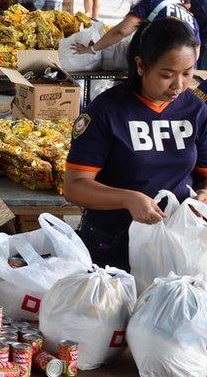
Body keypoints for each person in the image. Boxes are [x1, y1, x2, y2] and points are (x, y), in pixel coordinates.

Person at [65, 18, 207, 271]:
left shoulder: (195, 110)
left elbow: (204, 175)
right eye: (166, 75)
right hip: (112, 242)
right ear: (141, 65)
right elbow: (75, 188)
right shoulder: (106, 111)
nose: (178, 85)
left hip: (176, 239)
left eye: (187, 73)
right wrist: (127, 199)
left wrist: (204, 195)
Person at [73, 0, 199, 58]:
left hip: (157, 63)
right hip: (182, 68)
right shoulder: (191, 17)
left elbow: (122, 31)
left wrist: (91, 49)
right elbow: (196, 51)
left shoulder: (150, 2)